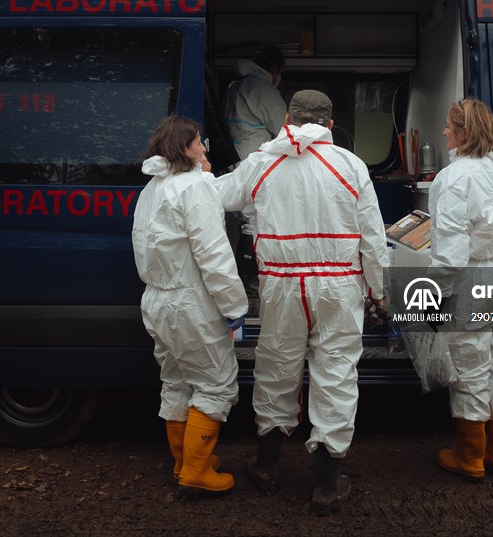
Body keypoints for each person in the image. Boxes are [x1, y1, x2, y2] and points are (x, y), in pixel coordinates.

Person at [211, 90, 389, 515]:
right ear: (330, 125)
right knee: (335, 373)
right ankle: (327, 483)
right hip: (340, 287)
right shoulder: (351, 165)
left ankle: (267, 466)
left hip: (283, 286)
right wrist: (378, 290)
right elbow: (373, 238)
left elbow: (215, 197)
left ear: (288, 118)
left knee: (276, 366)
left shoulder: (261, 160)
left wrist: (191, 173)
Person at [131, 115, 248, 497]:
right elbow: (213, 255)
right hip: (191, 303)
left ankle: (185, 463)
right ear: (185, 148)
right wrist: (234, 306)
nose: (204, 149)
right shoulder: (194, 187)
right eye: (199, 143)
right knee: (215, 385)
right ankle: (196, 472)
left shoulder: (153, 188)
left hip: (158, 299)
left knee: (177, 382)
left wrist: (205, 176)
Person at [427, 98, 493, 482]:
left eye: (449, 127)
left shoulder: (454, 178)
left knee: (471, 363)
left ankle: (470, 457)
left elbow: (450, 252)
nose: (444, 133)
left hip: (473, 279)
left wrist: (434, 295)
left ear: (464, 132)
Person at [224, 45, 288, 295]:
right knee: (255, 220)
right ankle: (251, 279)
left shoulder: (235, 88)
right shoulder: (263, 89)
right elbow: (285, 129)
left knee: (243, 220)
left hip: (236, 162)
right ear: (273, 69)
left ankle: (243, 276)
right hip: (255, 161)